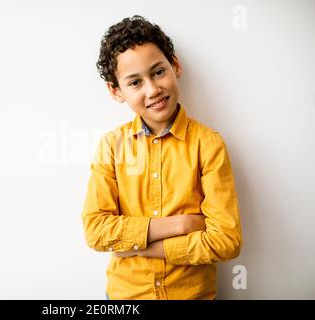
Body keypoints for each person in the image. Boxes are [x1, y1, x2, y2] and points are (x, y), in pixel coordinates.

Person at [81, 15, 243, 300]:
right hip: (126, 297)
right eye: (135, 82)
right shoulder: (111, 146)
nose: (153, 90)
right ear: (115, 91)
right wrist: (179, 225)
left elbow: (226, 241)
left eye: (158, 72)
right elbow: (96, 230)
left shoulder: (208, 144)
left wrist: (140, 246)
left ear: (175, 65)